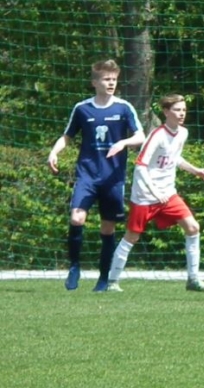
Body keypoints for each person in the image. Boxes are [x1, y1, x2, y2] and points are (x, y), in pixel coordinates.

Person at [47, 59, 146, 292]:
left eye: (114, 79)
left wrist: (123, 143)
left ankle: (103, 278)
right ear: (94, 82)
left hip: (113, 178)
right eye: (106, 79)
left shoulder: (123, 108)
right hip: (87, 175)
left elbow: (140, 136)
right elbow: (67, 136)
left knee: (107, 229)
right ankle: (74, 266)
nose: (111, 83)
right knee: (76, 219)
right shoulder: (82, 108)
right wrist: (54, 152)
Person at [106, 94, 204, 292]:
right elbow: (140, 166)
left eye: (183, 110)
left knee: (193, 227)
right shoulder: (157, 135)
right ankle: (112, 281)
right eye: (177, 110)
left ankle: (193, 279)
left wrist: (196, 170)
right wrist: (155, 192)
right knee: (132, 237)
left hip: (168, 194)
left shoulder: (182, 133)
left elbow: (175, 158)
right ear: (166, 112)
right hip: (145, 196)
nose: (181, 114)